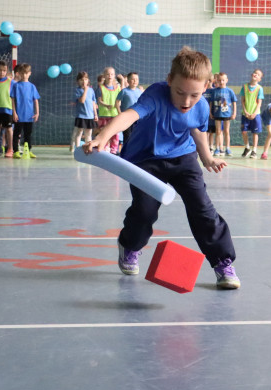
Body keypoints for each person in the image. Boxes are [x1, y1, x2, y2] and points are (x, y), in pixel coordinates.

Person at [83, 46, 240, 290]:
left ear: (207, 86)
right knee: (144, 212)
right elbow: (130, 115)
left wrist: (207, 157)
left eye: (194, 95)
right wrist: (103, 137)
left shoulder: (202, 106)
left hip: (183, 158)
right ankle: (130, 246)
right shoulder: (156, 94)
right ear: (169, 81)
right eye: (180, 92)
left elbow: (196, 129)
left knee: (203, 209)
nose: (186, 102)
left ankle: (222, 262)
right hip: (147, 161)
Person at [11, 63, 40, 158]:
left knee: (28, 134)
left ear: (29, 74)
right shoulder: (16, 86)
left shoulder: (32, 87)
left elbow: (35, 100)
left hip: (29, 116)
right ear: (19, 73)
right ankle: (15, 151)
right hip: (19, 115)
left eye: (26, 73)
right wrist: (14, 112)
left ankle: (28, 150)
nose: (24, 75)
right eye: (22, 73)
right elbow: (13, 100)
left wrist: (37, 113)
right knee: (17, 133)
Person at [209, 72, 236, 157]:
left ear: (226, 80)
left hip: (227, 114)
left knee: (226, 131)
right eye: (220, 80)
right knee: (218, 131)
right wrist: (210, 112)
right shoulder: (214, 91)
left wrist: (234, 113)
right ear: (217, 80)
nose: (221, 82)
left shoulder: (229, 91)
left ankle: (227, 148)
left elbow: (234, 102)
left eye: (223, 80)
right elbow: (211, 103)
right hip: (217, 114)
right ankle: (217, 148)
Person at [96, 67, 122, 154]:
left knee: (115, 134)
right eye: (107, 74)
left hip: (114, 115)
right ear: (104, 76)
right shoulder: (100, 88)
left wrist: (118, 109)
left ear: (114, 75)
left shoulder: (118, 88)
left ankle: (114, 150)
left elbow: (119, 101)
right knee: (104, 133)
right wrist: (106, 105)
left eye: (111, 74)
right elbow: (99, 100)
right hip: (104, 115)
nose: (110, 76)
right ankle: (105, 149)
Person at [239, 69, 264, 158]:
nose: (255, 75)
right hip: (245, 114)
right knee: (244, 131)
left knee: (255, 133)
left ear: (259, 79)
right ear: (252, 74)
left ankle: (254, 150)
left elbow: (259, 103)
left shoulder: (259, 88)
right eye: (255, 73)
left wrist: (254, 113)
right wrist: (245, 111)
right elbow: (242, 101)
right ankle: (247, 147)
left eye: (258, 74)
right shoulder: (245, 87)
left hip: (255, 114)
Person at [70, 71, 97, 151]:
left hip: (90, 116)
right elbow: (82, 100)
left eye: (85, 79)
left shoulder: (91, 90)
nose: (84, 81)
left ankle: (87, 149)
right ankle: (77, 149)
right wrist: (85, 90)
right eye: (81, 79)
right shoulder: (77, 90)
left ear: (88, 80)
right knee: (79, 133)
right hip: (81, 116)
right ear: (78, 81)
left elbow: (93, 102)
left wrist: (95, 114)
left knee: (88, 134)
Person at [116, 71, 143, 148]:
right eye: (133, 79)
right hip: (126, 118)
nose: (135, 81)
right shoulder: (124, 91)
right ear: (128, 81)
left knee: (136, 136)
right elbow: (117, 102)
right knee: (127, 136)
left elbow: (142, 103)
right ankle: (125, 153)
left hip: (136, 118)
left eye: (136, 79)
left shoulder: (139, 92)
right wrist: (120, 113)